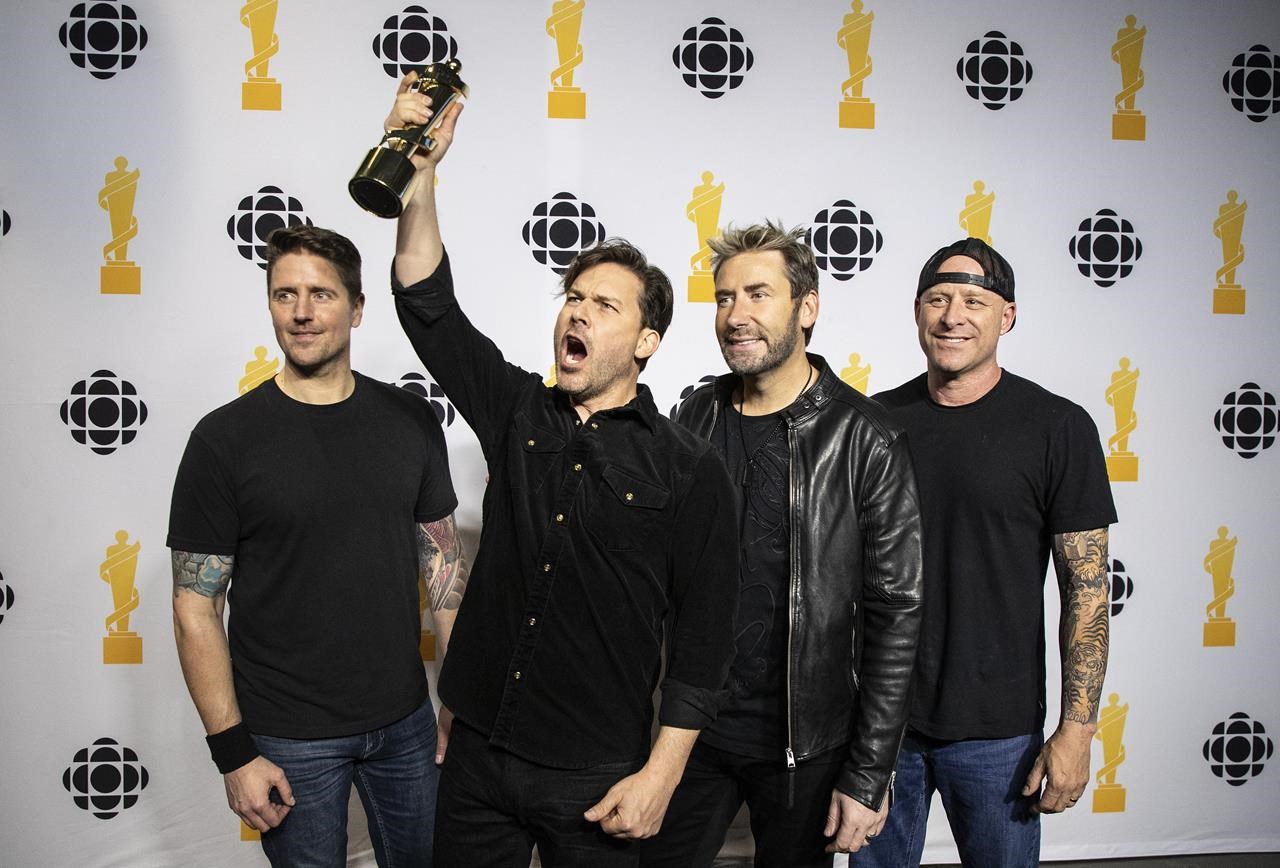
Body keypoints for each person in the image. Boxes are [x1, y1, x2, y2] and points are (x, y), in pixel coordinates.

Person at [386, 75, 740, 867]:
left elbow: (705, 645)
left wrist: (661, 776)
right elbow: (425, 300)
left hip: (596, 772)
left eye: (604, 305)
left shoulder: (689, 469)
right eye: (573, 296)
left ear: (646, 342)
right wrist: (420, 171)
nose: (577, 311)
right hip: (477, 752)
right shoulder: (517, 410)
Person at [168, 225, 467, 867]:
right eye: (285, 295)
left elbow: (443, 568)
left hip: (407, 723)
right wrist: (234, 754)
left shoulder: (412, 420)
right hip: (287, 737)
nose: (301, 312)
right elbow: (196, 607)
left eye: (321, 294)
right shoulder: (223, 441)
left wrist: (459, 699)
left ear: (357, 308)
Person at [645, 221, 923, 867]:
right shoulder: (694, 417)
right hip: (691, 732)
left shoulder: (867, 438)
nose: (735, 315)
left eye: (758, 295)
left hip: (809, 747)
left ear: (807, 307)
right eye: (724, 298)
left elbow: (897, 616)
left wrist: (868, 772)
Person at [865, 238, 1117, 866]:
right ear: (916, 311)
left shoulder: (1058, 427)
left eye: (974, 302)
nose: (953, 316)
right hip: (880, 726)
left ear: (1007, 317)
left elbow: (1087, 591)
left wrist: (1077, 730)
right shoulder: (873, 422)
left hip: (999, 732)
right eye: (938, 299)